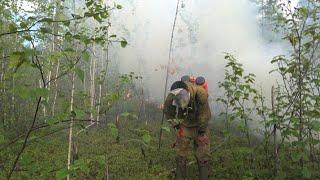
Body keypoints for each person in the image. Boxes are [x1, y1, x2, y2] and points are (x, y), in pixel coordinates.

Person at [164, 78, 211, 180]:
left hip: (200, 126)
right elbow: (168, 110)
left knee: (203, 155)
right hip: (184, 125)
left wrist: (202, 132)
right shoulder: (172, 96)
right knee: (181, 154)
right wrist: (175, 124)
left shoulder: (201, 94)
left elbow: (205, 115)